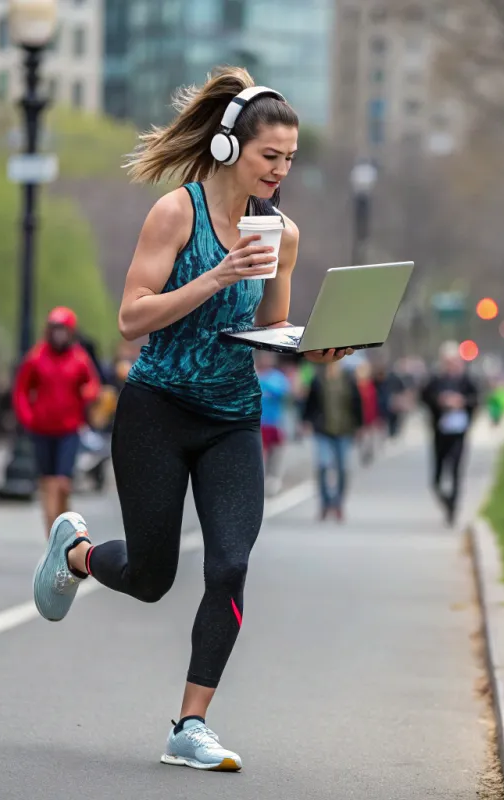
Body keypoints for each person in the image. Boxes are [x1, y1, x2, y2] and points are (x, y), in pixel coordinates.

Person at [30, 67, 352, 773]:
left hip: (233, 418)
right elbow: (131, 317)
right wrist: (216, 275)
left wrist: (315, 348)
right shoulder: (177, 213)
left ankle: (191, 724)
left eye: (290, 158)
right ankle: (76, 553)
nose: (281, 170)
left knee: (230, 564)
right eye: (270, 155)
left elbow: (268, 329)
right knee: (151, 578)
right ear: (231, 147)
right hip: (157, 410)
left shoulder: (282, 233)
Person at [13, 306, 101, 536]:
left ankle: (63, 525)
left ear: (71, 332)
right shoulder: (36, 357)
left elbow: (93, 384)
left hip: (69, 429)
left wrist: (88, 395)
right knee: (47, 482)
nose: (59, 335)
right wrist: (27, 417)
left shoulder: (80, 358)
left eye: (63, 330)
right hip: (42, 429)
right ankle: (52, 533)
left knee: (63, 482)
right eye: (55, 329)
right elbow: (21, 389)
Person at [421, 341, 479, 526]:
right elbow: (424, 397)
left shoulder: (466, 381)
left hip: (459, 433)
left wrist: (462, 402)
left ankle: (453, 507)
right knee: (436, 478)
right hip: (440, 433)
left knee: (455, 470)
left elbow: (475, 400)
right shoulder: (436, 381)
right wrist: (441, 401)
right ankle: (445, 501)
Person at [302, 360, 363, 521]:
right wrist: (306, 420)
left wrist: (359, 426)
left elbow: (357, 403)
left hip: (344, 429)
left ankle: (338, 503)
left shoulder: (348, 379)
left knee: (342, 468)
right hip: (323, 430)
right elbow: (310, 403)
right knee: (323, 465)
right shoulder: (318, 379)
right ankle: (325, 502)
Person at [255, 351, 291, 496]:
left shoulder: (277, 377)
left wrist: (265, 385)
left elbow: (283, 392)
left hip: (275, 422)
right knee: (260, 453)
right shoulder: (254, 375)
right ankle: (260, 480)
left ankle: (273, 479)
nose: (266, 361)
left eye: (269, 358)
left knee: (275, 453)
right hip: (259, 422)